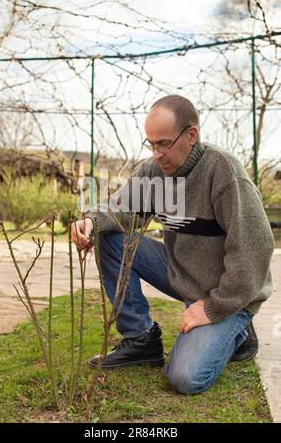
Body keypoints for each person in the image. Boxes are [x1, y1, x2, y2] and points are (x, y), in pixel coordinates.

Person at [71, 95, 274, 395]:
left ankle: (238, 328)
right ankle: (141, 339)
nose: (157, 153)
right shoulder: (154, 171)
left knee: (185, 378)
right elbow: (122, 207)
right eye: (151, 144)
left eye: (164, 143)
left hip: (225, 290)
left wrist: (214, 308)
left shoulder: (223, 172)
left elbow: (254, 250)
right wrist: (90, 221)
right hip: (180, 273)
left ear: (191, 135)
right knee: (111, 236)